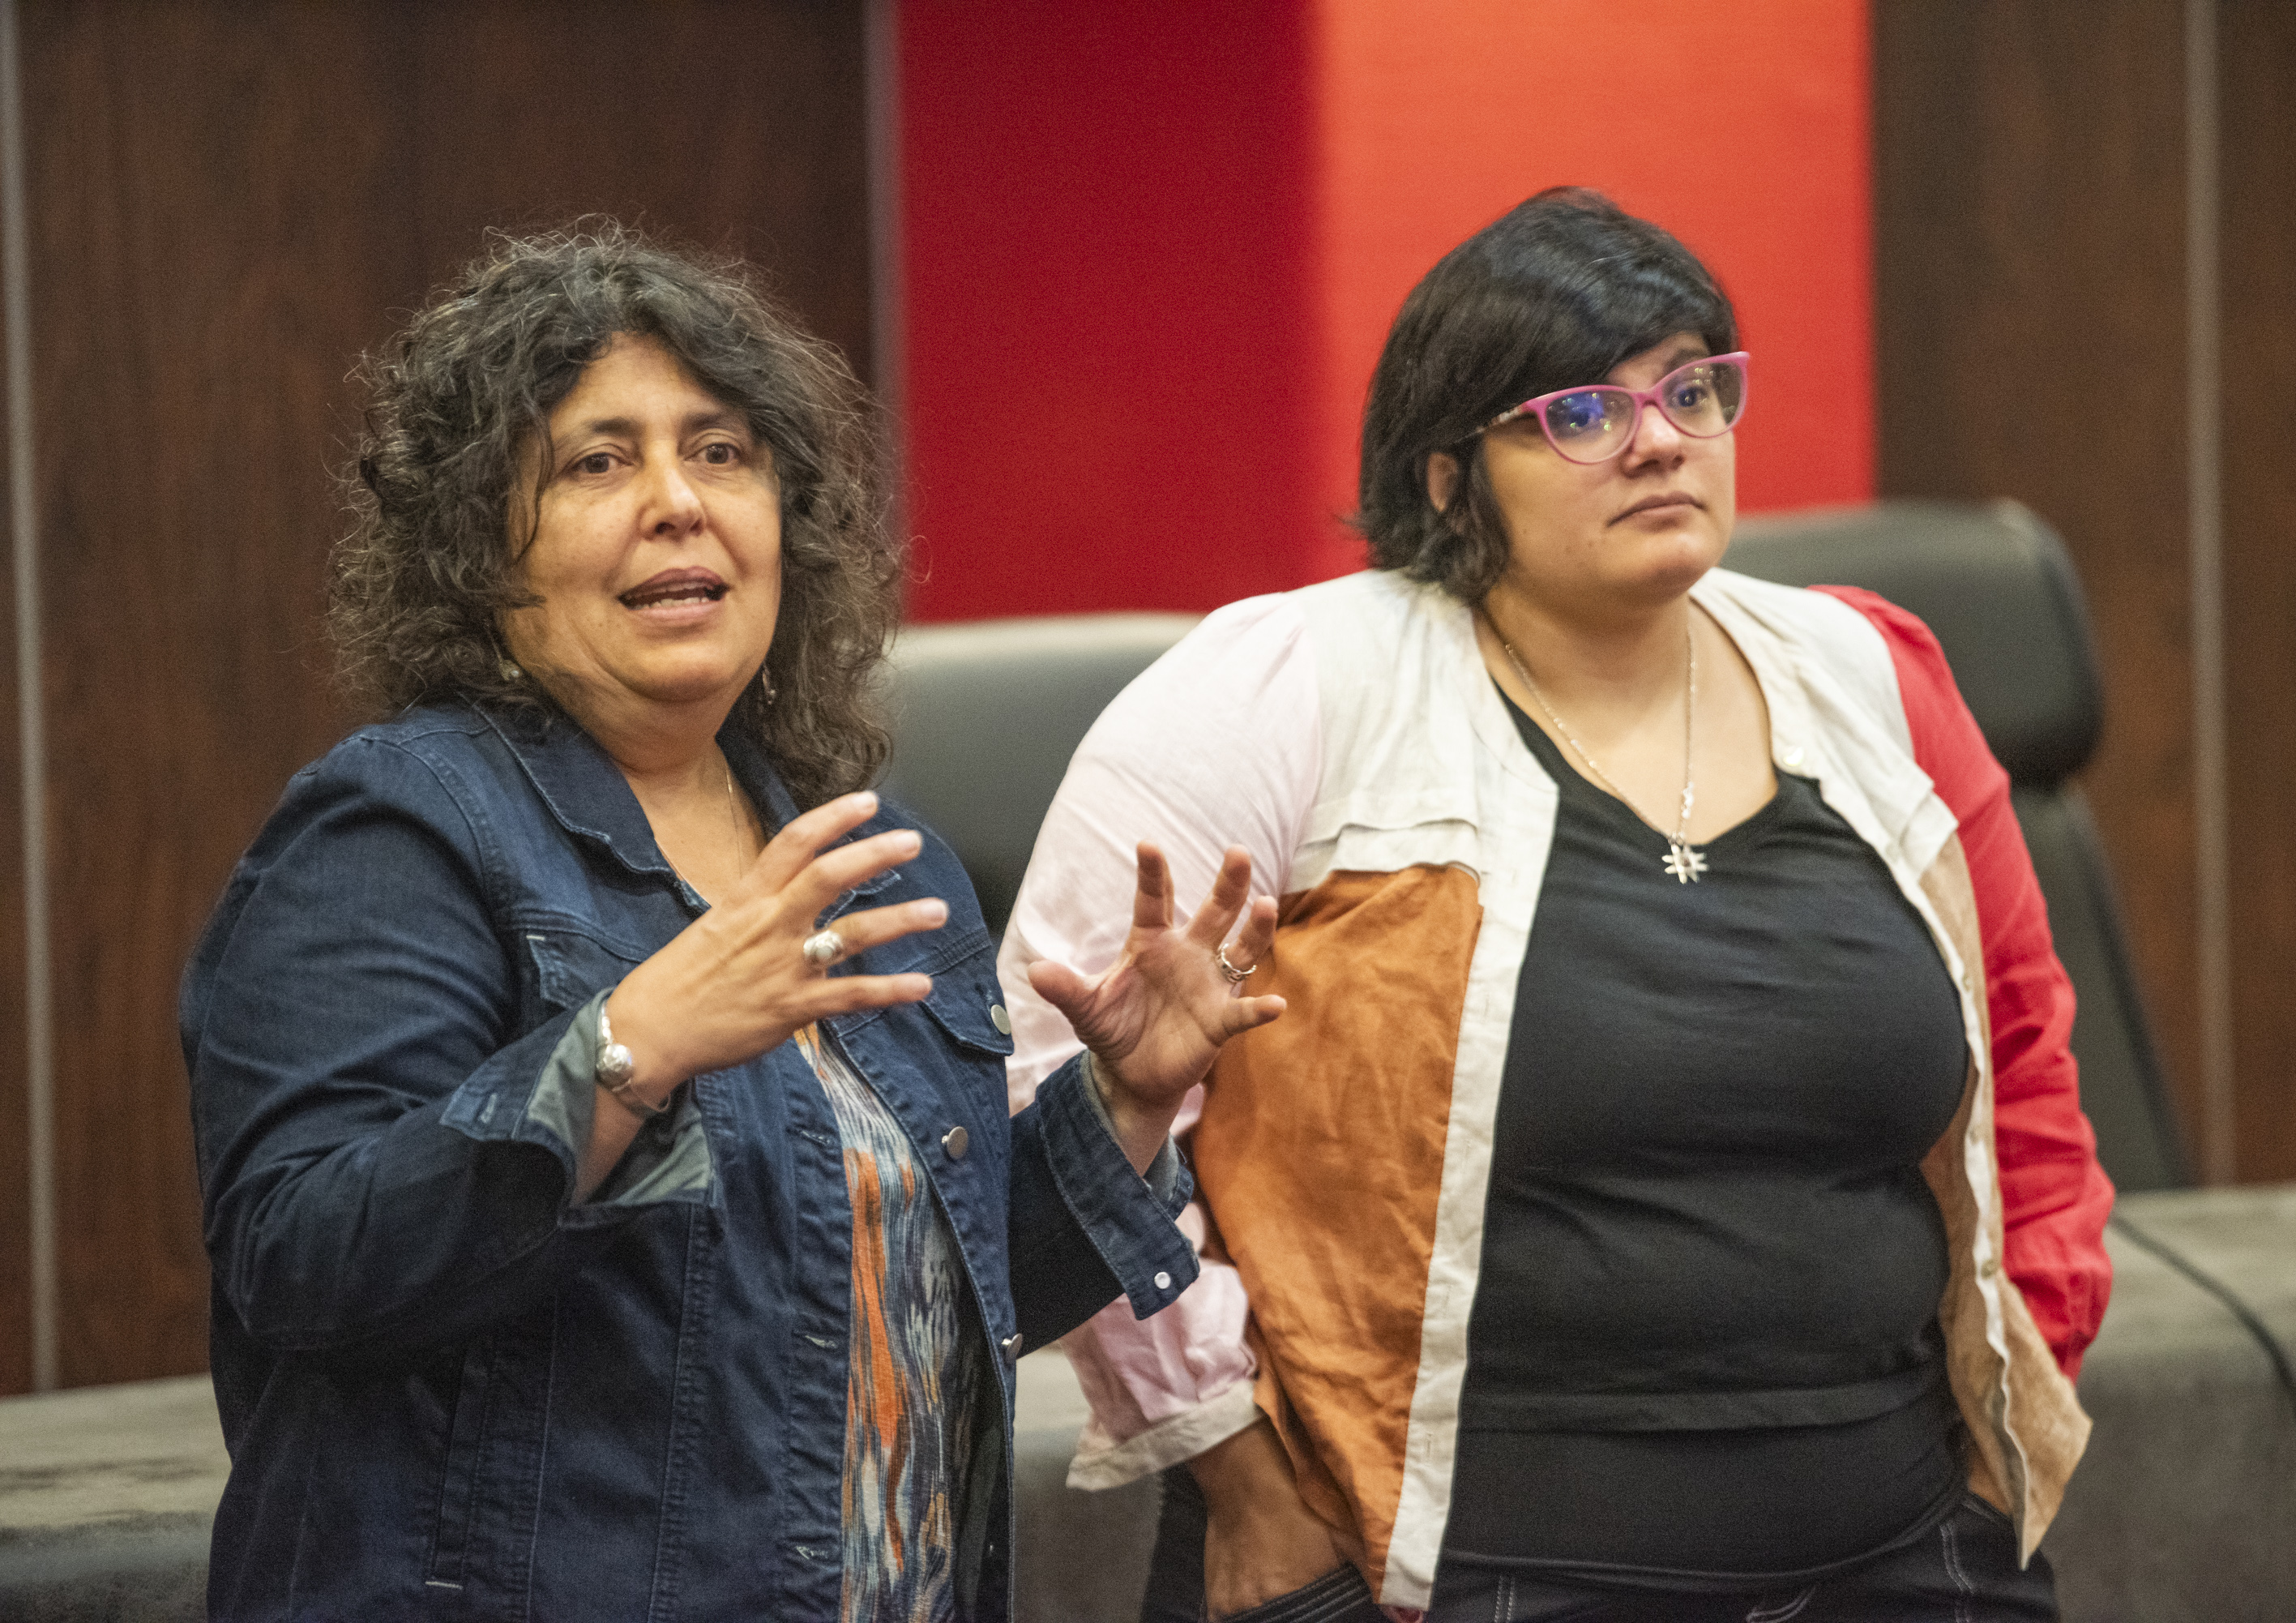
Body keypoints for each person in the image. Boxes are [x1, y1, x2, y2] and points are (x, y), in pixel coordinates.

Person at [1001, 189, 2114, 1622]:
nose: (1659, 439)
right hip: (1445, 1570)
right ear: (1450, 478)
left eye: (1692, 390)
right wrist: (1238, 1475)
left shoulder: (1869, 674)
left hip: (1904, 1545)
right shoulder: (1280, 690)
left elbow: (2023, 1055)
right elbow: (1050, 1091)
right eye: (1582, 411)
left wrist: (2019, 1400)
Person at [181, 225, 1284, 1623]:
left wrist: (1123, 1100)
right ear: (477, 549)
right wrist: (629, 1046)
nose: (678, 502)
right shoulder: (397, 828)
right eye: (597, 462)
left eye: (721, 452)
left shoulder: (867, 863)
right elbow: (303, 1263)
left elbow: (919, 1300)